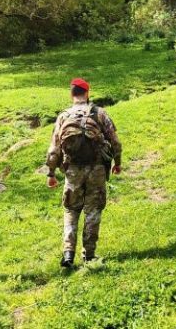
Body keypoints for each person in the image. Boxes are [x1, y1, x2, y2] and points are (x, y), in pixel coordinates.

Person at [45, 78, 122, 268]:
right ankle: (89, 255)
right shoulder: (100, 113)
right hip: (96, 170)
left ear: (72, 95)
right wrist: (117, 163)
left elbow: (54, 148)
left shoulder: (63, 116)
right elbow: (115, 142)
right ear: (87, 93)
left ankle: (68, 254)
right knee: (93, 210)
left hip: (72, 171)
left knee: (71, 210)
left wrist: (51, 173)